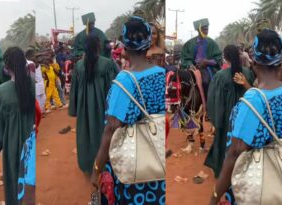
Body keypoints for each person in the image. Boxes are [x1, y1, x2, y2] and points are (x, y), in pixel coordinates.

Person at [210, 29, 282, 205]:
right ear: (281, 62)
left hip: (260, 189)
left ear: (254, 61)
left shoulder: (253, 101)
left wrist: (214, 196)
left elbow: (234, 153)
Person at [91, 16, 165, 205]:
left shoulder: (124, 82)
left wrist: (96, 170)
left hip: (132, 168)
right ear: (149, 44)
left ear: (124, 47)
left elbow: (110, 129)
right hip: (157, 159)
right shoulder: (161, 74)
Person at [0, 47, 35, 205]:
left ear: (6, 67)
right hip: (33, 143)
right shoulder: (33, 85)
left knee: (15, 181)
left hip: (13, 147)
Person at [68, 34, 118, 174]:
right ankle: (104, 165)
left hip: (84, 108)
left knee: (86, 134)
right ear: (99, 46)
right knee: (103, 133)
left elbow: (74, 91)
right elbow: (113, 89)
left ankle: (88, 165)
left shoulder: (78, 66)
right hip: (104, 107)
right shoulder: (107, 64)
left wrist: (74, 109)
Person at [204, 45, 255, 178]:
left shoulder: (220, 76)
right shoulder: (247, 73)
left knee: (224, 144)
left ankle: (223, 172)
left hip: (226, 118)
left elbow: (214, 101)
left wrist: (216, 121)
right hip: (245, 116)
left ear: (225, 58)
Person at [181, 18, 222, 100]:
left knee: (206, 82)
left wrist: (207, 62)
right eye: (204, 29)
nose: (206, 31)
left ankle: (208, 104)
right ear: (198, 30)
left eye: (207, 29)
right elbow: (185, 57)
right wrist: (190, 64)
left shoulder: (212, 43)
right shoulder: (189, 44)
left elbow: (218, 58)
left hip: (208, 68)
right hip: (193, 67)